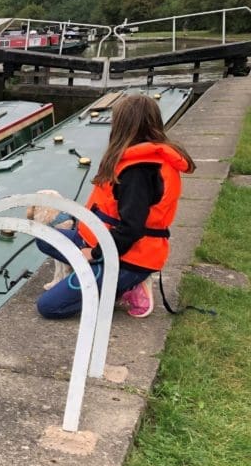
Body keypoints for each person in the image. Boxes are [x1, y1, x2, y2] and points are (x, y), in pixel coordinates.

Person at [36, 94, 195, 320]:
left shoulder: (138, 174)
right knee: (44, 237)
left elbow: (132, 229)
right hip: (102, 241)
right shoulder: (136, 160)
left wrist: (94, 253)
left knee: (49, 307)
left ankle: (127, 286)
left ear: (122, 126)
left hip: (128, 257)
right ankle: (99, 275)